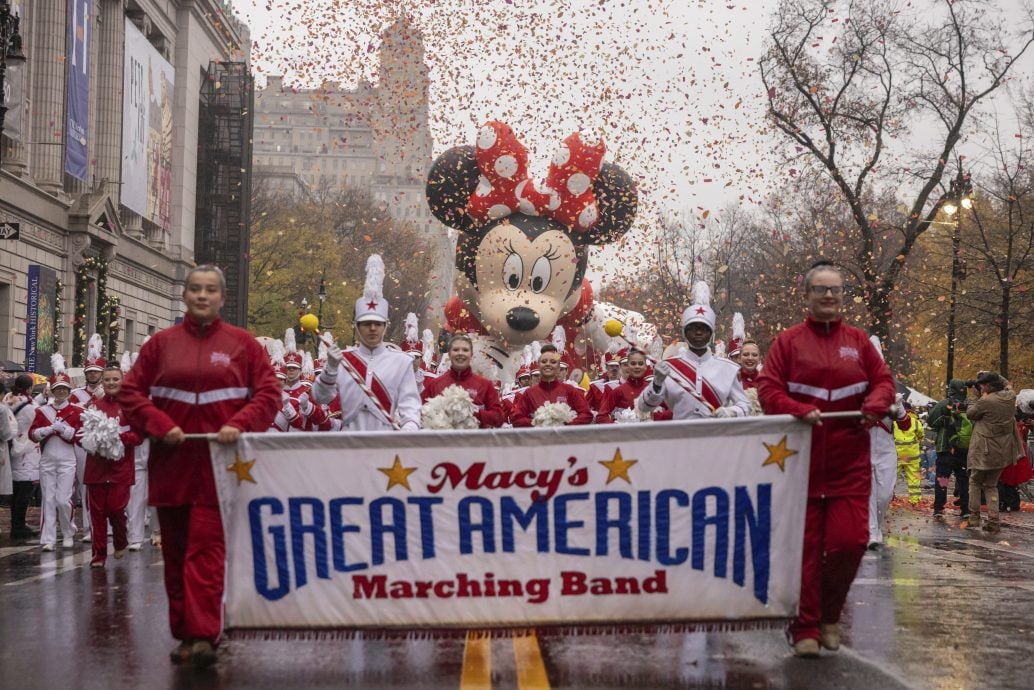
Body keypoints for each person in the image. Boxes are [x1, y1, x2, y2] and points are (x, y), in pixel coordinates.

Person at [120, 265, 281, 667]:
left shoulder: (243, 344)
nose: (202, 296)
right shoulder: (160, 345)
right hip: (171, 468)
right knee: (175, 555)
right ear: (185, 295)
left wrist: (239, 424)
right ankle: (185, 634)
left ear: (222, 298)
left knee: (205, 552)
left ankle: (205, 634)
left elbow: (269, 394)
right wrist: (160, 425)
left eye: (210, 290)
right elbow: (131, 393)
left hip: (220, 470)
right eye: (195, 289)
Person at [756, 262, 895, 658]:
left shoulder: (859, 342)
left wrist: (876, 403)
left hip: (848, 465)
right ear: (807, 295)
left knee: (850, 542)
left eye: (835, 289)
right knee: (804, 553)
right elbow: (768, 389)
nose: (829, 296)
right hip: (799, 465)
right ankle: (804, 627)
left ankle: (829, 615)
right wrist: (797, 409)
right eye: (821, 289)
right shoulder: (789, 342)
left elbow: (884, 382)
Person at [311, 255, 421, 431]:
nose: (372, 328)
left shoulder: (401, 362)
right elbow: (320, 397)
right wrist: (330, 369)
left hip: (385, 442)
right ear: (357, 326)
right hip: (349, 442)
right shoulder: (342, 360)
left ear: (385, 327)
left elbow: (411, 407)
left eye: (378, 324)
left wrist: (409, 430)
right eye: (366, 324)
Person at [637, 281, 751, 420]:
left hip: (717, 433)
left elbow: (745, 405)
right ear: (685, 332)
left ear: (711, 333)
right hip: (681, 433)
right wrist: (657, 383)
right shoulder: (668, 367)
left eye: (704, 328)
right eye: (693, 328)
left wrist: (731, 412)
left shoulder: (728, 368)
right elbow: (644, 407)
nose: (698, 332)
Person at [82, 365, 142, 567]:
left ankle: (120, 540)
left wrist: (116, 437)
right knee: (97, 513)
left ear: (123, 381)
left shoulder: (131, 406)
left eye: (115, 379)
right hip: (96, 469)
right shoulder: (94, 406)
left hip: (120, 468)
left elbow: (139, 435)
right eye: (107, 379)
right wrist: (93, 440)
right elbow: (82, 434)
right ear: (102, 382)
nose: (111, 383)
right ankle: (99, 554)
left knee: (116, 508)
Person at [29, 355, 83, 551]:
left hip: (68, 460)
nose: (61, 392)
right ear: (51, 390)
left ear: (68, 391)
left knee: (63, 499)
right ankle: (48, 538)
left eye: (64, 389)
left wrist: (64, 430)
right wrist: (46, 430)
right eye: (57, 389)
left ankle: (68, 531)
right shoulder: (42, 411)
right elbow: (32, 434)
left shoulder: (77, 411)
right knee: (48, 499)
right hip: (47, 460)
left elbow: (79, 437)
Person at [958, 372, 1023, 533]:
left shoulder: (986, 401)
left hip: (984, 450)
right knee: (991, 485)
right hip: (1002, 450)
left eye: (982, 385)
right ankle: (993, 520)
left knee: (975, 481)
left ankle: (974, 517)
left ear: (988, 386)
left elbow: (970, 413)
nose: (980, 387)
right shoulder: (1010, 397)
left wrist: (976, 396)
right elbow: (1006, 383)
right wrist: (990, 376)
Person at [421, 334, 505, 428]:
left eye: (465, 350)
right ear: (449, 354)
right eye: (456, 350)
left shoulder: (485, 385)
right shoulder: (435, 385)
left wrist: (473, 413)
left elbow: (499, 418)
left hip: (476, 437)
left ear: (471, 355)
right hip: (443, 437)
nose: (460, 353)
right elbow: (418, 411)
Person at [511, 345, 593, 426]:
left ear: (558, 367)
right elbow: (516, 419)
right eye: (544, 361)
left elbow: (587, 415)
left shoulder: (570, 390)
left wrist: (566, 423)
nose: (548, 364)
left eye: (553, 362)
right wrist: (537, 422)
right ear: (538, 366)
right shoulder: (529, 393)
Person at [926, 379, 972, 519]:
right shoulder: (969, 404)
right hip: (963, 448)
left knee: (943, 479)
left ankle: (939, 508)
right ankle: (965, 509)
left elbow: (930, 421)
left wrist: (943, 422)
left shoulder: (944, 404)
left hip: (945, 447)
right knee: (963, 479)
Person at [5, 375, 41, 540]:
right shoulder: (30, 407)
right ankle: (18, 526)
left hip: (11, 447)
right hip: (26, 449)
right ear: (30, 388)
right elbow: (36, 422)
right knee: (24, 492)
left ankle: (17, 524)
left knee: (16, 491)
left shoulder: (8, 398)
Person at [596, 349, 671, 423]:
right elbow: (601, 416)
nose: (637, 366)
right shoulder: (618, 391)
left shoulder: (654, 389)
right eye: (633, 363)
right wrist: (617, 427)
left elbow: (673, 410)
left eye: (640, 363)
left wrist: (655, 417)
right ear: (628, 366)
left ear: (645, 367)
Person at [894, 401, 925, 506]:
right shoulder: (916, 422)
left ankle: (888, 498)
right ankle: (915, 501)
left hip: (898, 454)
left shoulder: (894, 421)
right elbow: (921, 435)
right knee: (914, 478)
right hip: (912, 455)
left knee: (892, 477)